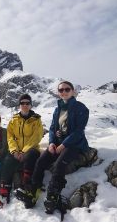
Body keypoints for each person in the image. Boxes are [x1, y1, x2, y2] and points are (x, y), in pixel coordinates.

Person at [16, 80, 89, 214]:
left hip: (74, 144)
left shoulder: (81, 108)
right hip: (58, 143)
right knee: (40, 162)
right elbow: (52, 128)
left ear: (73, 91)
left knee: (60, 164)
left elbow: (79, 131)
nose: (64, 92)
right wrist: (51, 142)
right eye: (61, 90)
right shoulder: (58, 109)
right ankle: (32, 192)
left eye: (67, 89)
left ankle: (53, 195)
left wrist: (64, 144)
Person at [0, 94, 43, 208]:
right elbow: (10, 137)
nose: (24, 105)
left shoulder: (36, 120)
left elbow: (36, 137)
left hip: (31, 149)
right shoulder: (14, 120)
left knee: (30, 157)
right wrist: (15, 151)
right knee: (8, 160)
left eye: (27, 103)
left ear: (30, 105)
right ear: (19, 105)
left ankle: (26, 186)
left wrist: (24, 151)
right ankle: (3, 189)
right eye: (22, 103)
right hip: (17, 150)